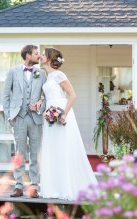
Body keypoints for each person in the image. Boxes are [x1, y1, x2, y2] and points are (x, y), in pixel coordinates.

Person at [37, 47, 98, 200]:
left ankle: (67, 187)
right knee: (52, 148)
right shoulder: (47, 76)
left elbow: (72, 95)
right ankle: (54, 187)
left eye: (43, 54)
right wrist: (40, 102)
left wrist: (64, 113)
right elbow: (48, 95)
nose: (41, 56)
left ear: (50, 58)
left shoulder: (59, 75)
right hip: (49, 114)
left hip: (61, 112)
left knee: (63, 147)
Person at [3, 45, 47, 198]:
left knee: (35, 154)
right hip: (19, 118)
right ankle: (18, 185)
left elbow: (47, 96)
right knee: (19, 153)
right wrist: (9, 115)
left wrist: (40, 104)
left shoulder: (41, 73)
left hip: (35, 119)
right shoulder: (13, 71)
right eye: (36, 54)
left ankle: (34, 186)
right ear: (28, 55)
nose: (38, 57)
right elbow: (6, 95)